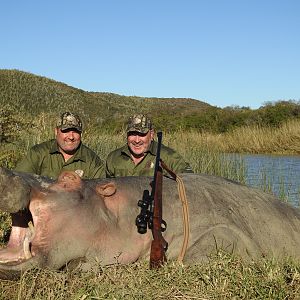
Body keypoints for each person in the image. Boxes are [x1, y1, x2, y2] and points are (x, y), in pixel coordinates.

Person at [9, 112, 105, 248]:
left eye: (75, 132)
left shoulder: (93, 160)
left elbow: (98, 200)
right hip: (38, 219)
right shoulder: (38, 153)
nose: (71, 137)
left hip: (74, 222)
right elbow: (18, 182)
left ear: (81, 133)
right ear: (56, 131)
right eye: (65, 131)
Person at [105, 114, 193, 177]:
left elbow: (190, 181)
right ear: (127, 135)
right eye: (132, 134)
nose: (137, 140)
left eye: (142, 134)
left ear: (151, 135)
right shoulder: (113, 158)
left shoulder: (169, 157)